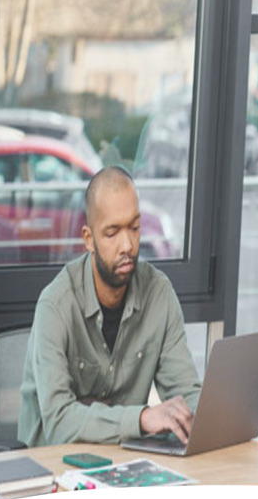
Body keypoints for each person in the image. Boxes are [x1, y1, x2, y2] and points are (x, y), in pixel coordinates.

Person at [17, 165, 201, 447]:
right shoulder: (55, 305)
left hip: (124, 467)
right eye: (112, 232)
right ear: (89, 239)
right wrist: (141, 419)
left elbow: (186, 394)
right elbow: (59, 422)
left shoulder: (159, 294)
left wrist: (214, 415)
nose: (127, 244)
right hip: (52, 472)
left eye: (135, 228)